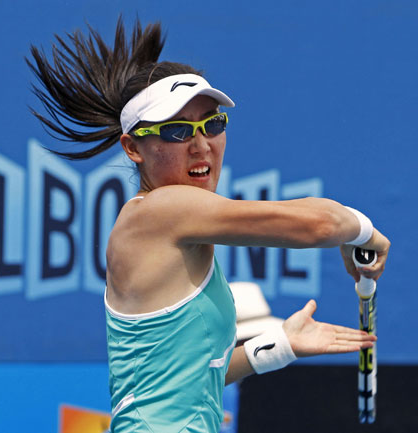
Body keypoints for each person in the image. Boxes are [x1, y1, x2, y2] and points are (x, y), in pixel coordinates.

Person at [28, 18, 390, 433]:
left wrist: (279, 345)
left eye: (212, 124)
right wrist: (366, 231)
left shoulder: (169, 225)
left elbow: (189, 379)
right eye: (177, 131)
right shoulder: (161, 211)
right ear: (133, 148)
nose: (201, 145)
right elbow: (320, 225)